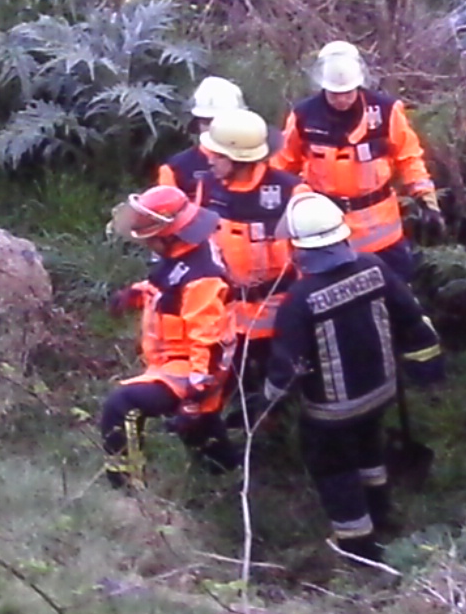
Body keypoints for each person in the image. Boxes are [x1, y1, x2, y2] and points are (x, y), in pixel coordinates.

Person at [264, 192, 444, 563]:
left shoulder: (299, 299)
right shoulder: (375, 267)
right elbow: (412, 321)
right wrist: (428, 372)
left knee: (334, 471)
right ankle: (381, 514)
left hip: (331, 413)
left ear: (300, 249)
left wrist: (261, 408)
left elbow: (286, 367)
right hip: (380, 392)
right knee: (369, 452)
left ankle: (358, 546)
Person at [101, 184, 238, 487]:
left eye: (150, 236)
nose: (147, 242)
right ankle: (229, 480)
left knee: (121, 405)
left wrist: (194, 396)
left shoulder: (202, 276)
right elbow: (167, 290)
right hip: (178, 365)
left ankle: (126, 487)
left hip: (190, 371)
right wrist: (135, 294)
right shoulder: (181, 254)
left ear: (168, 233)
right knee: (206, 443)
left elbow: (209, 340)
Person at [274, 40, 442, 282]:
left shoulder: (385, 111)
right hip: (327, 233)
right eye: (335, 94)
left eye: (347, 93)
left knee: (398, 294)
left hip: (383, 232)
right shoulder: (304, 117)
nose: (342, 99)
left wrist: (425, 200)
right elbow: (283, 165)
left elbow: (409, 158)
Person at [193, 106, 308, 401]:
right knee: (238, 388)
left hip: (280, 312)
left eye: (218, 155)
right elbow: (199, 245)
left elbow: (309, 254)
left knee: (285, 386)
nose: (210, 159)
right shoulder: (207, 188)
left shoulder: (290, 191)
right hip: (230, 314)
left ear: (239, 158)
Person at [156, 75, 246, 193]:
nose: (215, 129)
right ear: (197, 123)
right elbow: (164, 208)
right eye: (207, 122)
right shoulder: (176, 169)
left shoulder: (262, 163)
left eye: (221, 121)